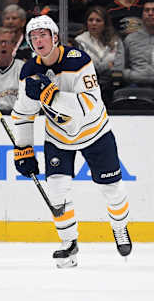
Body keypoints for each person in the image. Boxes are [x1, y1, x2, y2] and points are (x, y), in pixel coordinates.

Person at [11, 15, 132, 268]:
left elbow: (88, 105)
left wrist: (50, 96)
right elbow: (23, 113)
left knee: (112, 189)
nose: (38, 40)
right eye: (33, 37)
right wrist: (23, 148)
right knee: (56, 190)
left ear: (55, 37)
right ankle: (69, 243)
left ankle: (120, 228)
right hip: (58, 137)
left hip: (94, 132)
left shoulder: (79, 60)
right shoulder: (29, 71)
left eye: (43, 34)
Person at [75, 6, 125, 106]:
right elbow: (81, 68)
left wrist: (94, 65)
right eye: (91, 20)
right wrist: (108, 65)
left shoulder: (115, 41)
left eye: (98, 20)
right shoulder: (79, 41)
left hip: (112, 84)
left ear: (105, 23)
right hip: (88, 85)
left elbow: (119, 67)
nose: (94, 23)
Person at [123, 0, 154, 86]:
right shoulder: (130, 39)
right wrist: (131, 76)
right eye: (147, 10)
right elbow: (121, 65)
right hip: (136, 85)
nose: (150, 13)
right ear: (142, 14)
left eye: (153, 10)